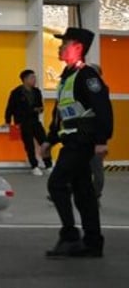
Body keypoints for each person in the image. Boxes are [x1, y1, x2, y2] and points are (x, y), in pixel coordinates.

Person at [42, 28, 111, 258]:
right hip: (70, 139)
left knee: (57, 184)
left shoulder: (87, 75)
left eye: (65, 43)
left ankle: (70, 236)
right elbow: (61, 114)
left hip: (82, 141)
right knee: (83, 193)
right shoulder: (67, 77)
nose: (60, 48)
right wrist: (49, 140)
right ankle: (92, 243)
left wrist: (101, 140)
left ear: (78, 48)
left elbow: (102, 108)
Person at [3, 69, 52, 175]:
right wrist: (7, 121)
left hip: (35, 121)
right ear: (25, 80)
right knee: (29, 145)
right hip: (22, 122)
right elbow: (10, 108)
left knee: (44, 142)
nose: (34, 80)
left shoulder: (37, 92)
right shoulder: (16, 92)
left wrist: (39, 109)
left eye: (34, 78)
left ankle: (48, 165)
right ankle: (34, 166)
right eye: (32, 78)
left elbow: (40, 106)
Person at [87, 63, 106, 204]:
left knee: (97, 170)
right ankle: (62, 191)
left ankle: (95, 195)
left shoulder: (101, 92)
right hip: (80, 136)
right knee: (75, 167)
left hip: (95, 138)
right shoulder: (80, 90)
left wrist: (101, 142)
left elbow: (104, 118)